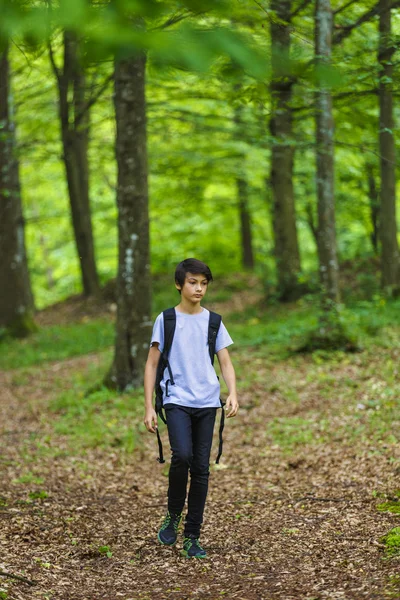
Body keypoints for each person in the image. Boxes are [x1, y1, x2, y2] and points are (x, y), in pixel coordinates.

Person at [144, 258, 239, 558]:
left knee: (201, 469)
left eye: (204, 283)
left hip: (207, 402)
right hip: (176, 399)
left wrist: (232, 393)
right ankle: (173, 515)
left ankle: (192, 536)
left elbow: (225, 361)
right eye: (193, 282)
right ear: (179, 284)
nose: (199, 288)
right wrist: (148, 407)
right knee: (181, 455)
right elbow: (151, 364)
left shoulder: (213, 321)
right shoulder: (167, 319)